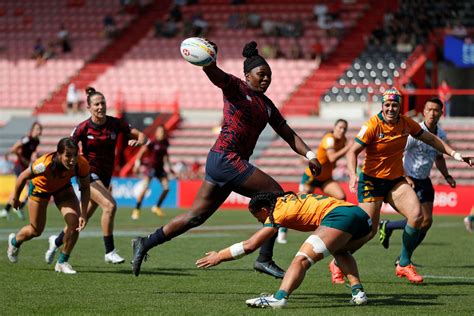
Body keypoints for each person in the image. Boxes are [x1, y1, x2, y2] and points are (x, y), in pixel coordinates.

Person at [130, 41, 321, 279]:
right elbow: (214, 73)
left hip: (224, 162)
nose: (266, 79)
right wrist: (209, 59)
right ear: (247, 75)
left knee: (195, 217)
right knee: (276, 195)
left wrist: (310, 154)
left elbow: (288, 134)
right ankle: (264, 259)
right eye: (261, 75)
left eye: (269, 76)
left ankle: (145, 243)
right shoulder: (236, 87)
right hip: (226, 158)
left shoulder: (267, 106)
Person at [346, 88, 472, 284]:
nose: (390, 108)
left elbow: (431, 139)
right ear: (382, 106)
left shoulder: (407, 124)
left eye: (394, 105)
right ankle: (340, 260)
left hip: (395, 180)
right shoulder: (372, 125)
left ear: (399, 107)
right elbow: (352, 151)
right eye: (387, 105)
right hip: (371, 180)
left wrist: (456, 156)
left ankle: (403, 263)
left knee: (418, 216)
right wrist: (353, 174)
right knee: (368, 230)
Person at [196, 192, 372, 308]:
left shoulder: (276, 213)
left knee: (301, 259)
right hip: (361, 217)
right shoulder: (285, 200)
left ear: (265, 209)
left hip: (340, 216)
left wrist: (219, 256)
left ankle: (279, 298)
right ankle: (358, 292)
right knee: (340, 251)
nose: (260, 221)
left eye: (258, 217)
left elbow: (250, 245)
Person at [45, 87, 147, 265]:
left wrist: (138, 141)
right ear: (89, 107)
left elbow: (143, 136)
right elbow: (66, 149)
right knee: (110, 206)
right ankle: (109, 251)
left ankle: (56, 241)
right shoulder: (83, 128)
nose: (101, 107)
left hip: (105, 178)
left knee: (80, 221)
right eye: (97, 104)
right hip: (87, 175)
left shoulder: (116, 123)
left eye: (103, 103)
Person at [379, 98, 456, 256]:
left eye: (436, 110)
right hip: (409, 179)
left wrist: (447, 175)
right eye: (429, 109)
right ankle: (403, 258)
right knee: (418, 218)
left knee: (427, 223)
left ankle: (390, 230)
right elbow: (398, 152)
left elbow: (439, 158)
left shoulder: (440, 134)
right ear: (424, 111)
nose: (432, 113)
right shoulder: (415, 131)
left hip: (424, 179)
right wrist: (404, 176)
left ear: (441, 113)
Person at [7, 138, 90, 274]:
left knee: (74, 223)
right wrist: (16, 198)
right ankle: (15, 241)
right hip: (40, 189)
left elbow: (86, 188)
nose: (72, 159)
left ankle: (62, 262)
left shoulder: (81, 164)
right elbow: (22, 177)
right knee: (36, 230)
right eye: (68, 155)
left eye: (75, 155)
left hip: (63, 188)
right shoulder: (43, 164)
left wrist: (84, 213)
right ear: (58, 154)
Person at [277, 119, 350, 246]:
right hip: (312, 177)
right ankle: (282, 228)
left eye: (344, 129)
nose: (342, 130)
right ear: (335, 127)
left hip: (326, 178)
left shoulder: (343, 140)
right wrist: (349, 147)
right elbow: (332, 157)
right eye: (340, 127)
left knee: (341, 197)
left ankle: (336, 229)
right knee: (298, 204)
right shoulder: (329, 139)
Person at [131, 125, 175, 220]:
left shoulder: (166, 142)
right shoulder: (152, 142)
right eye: (160, 132)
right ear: (156, 133)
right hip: (151, 168)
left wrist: (170, 167)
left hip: (160, 168)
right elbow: (141, 153)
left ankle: (157, 207)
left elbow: (165, 155)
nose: (162, 134)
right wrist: (137, 164)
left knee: (166, 188)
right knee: (145, 188)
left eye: (163, 132)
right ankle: (137, 209)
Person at [1, 122, 43, 220]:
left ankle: (7, 210)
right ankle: (18, 207)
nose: (39, 131)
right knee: (30, 186)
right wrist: (22, 158)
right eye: (37, 129)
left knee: (23, 188)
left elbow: (31, 153)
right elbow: (14, 149)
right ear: (32, 130)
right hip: (19, 166)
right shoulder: (27, 139)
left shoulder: (36, 141)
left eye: (40, 129)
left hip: (25, 167)